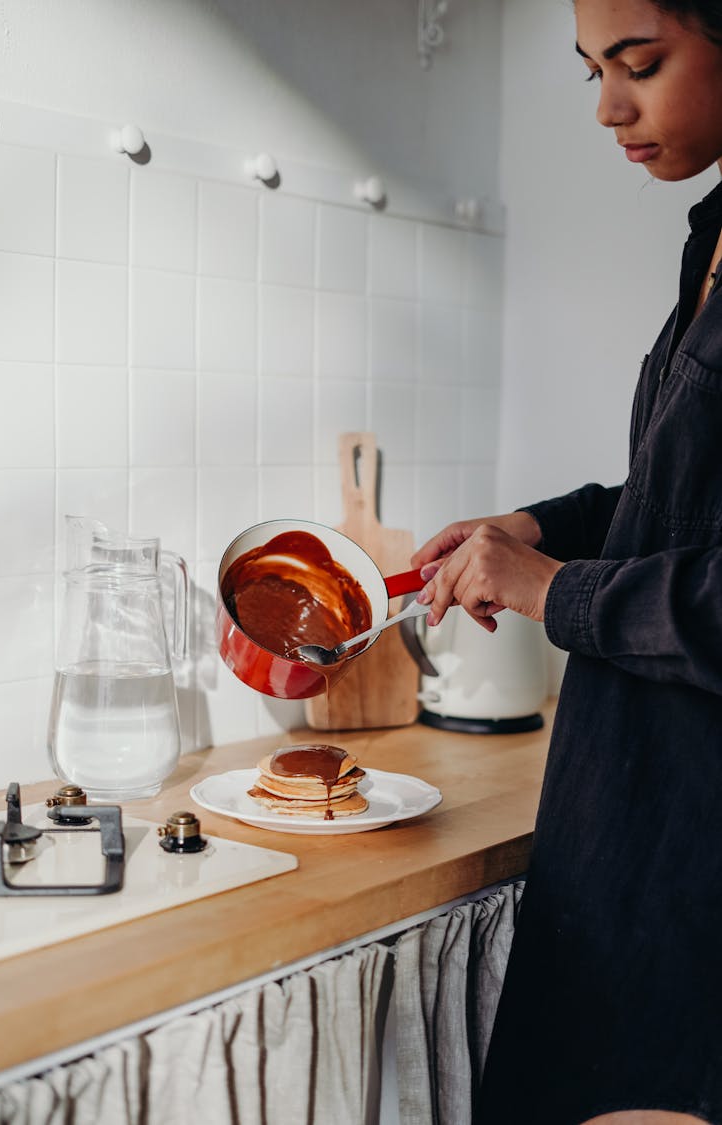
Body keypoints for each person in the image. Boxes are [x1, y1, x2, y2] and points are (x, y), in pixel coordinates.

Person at [412, 2, 722, 1123]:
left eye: (639, 65)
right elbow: (680, 507)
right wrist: (531, 529)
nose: (609, 108)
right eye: (593, 70)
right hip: (632, 828)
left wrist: (550, 591)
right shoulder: (714, 238)